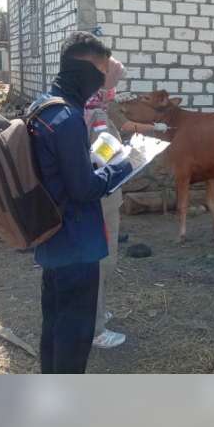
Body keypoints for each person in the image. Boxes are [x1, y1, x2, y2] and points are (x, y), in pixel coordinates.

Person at [29, 32, 133, 373]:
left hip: (51, 235)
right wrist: (122, 166)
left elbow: (60, 171)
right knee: (75, 336)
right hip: (77, 244)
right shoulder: (68, 119)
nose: (103, 81)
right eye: (102, 72)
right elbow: (83, 189)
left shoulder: (42, 106)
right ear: (84, 70)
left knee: (55, 326)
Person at [84, 56, 129, 349]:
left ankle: (95, 312)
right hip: (101, 201)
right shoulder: (95, 115)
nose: (115, 91)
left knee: (102, 262)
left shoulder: (90, 108)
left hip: (101, 199)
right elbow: (105, 158)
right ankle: (95, 327)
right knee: (101, 262)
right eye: (113, 83)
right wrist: (131, 159)